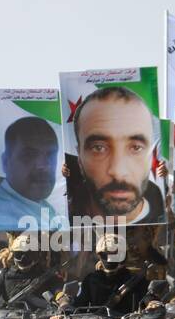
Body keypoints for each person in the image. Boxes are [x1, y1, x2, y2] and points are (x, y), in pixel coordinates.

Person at [67, 86, 166, 224]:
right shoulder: (57, 222)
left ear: (151, 154)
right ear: (80, 158)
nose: (118, 172)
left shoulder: (172, 222)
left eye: (136, 147)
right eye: (99, 148)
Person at [0, 116, 66, 230]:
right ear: (6, 162)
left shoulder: (45, 208)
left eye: (50, 154)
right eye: (30, 155)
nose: (43, 165)